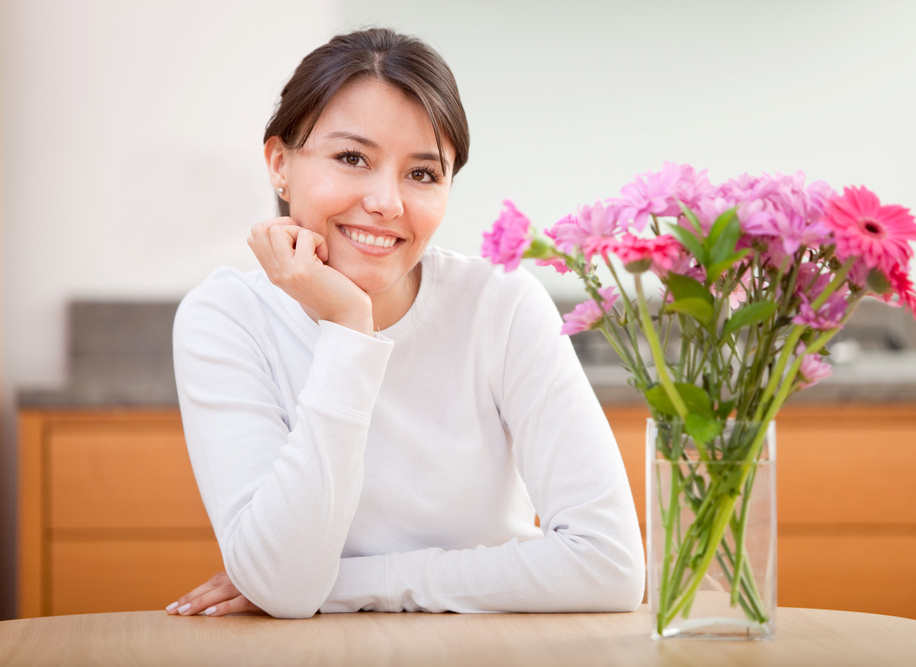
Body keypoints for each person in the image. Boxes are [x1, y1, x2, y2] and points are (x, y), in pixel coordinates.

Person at [165, 27, 644, 619]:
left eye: (422, 174)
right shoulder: (227, 319)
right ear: (280, 163)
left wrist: (350, 586)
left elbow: (611, 566)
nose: (387, 202)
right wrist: (348, 330)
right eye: (351, 158)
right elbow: (285, 587)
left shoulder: (500, 305)